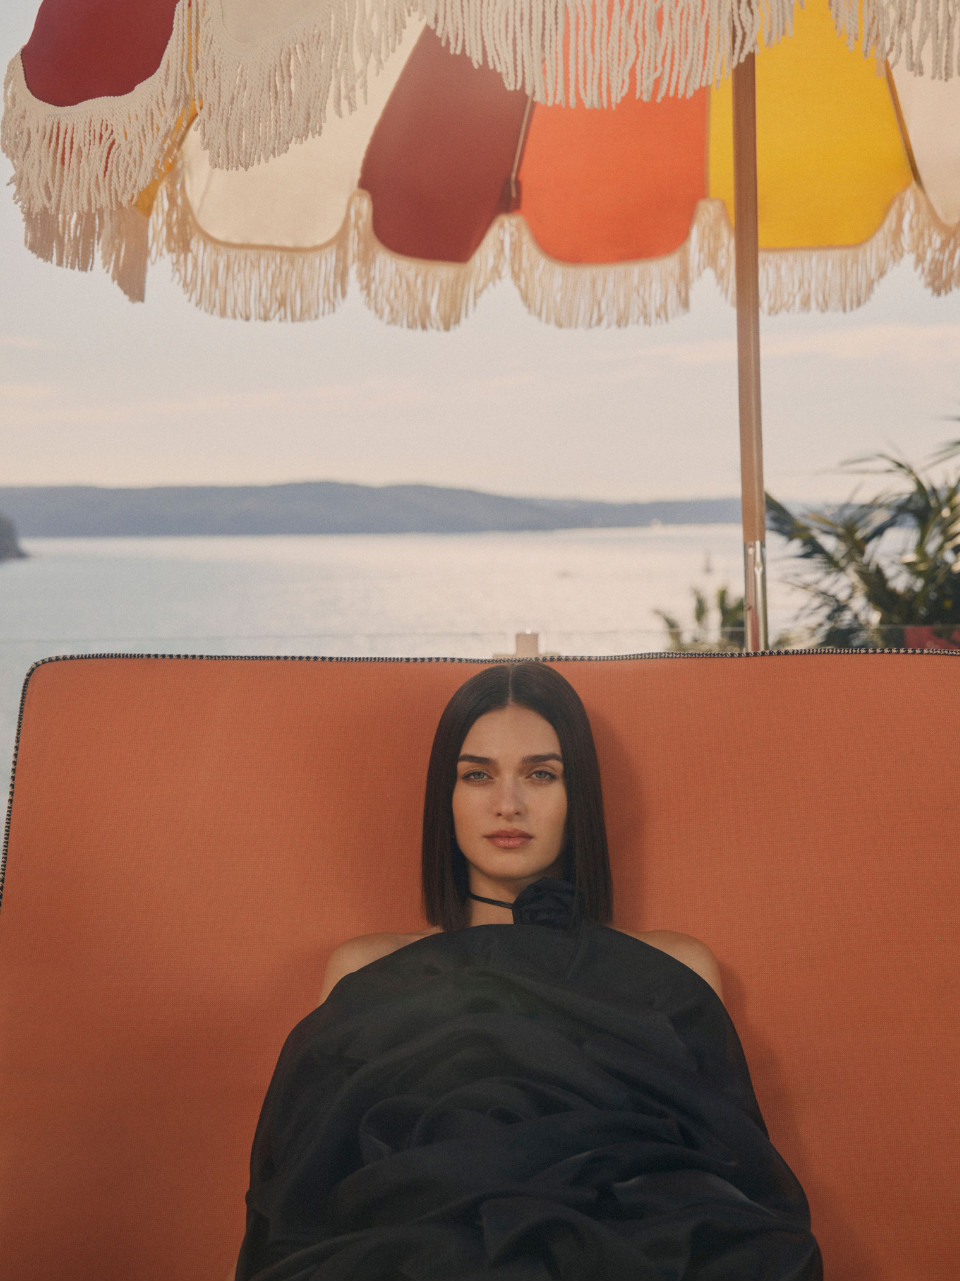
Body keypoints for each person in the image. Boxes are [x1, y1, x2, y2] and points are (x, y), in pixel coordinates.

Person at [235, 662, 822, 1281]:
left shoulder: (670, 970)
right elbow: (293, 1202)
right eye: (477, 775)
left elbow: (733, 1182)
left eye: (541, 774)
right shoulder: (367, 971)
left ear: (578, 796)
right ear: (445, 797)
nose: (508, 805)